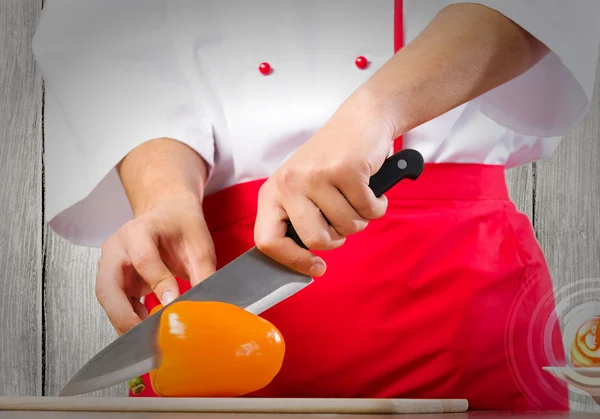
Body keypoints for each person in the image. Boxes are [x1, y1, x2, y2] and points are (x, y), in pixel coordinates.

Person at [32, 0, 600, 411]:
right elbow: (115, 44)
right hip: (213, 318)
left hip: (454, 298)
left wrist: (375, 111)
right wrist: (162, 197)